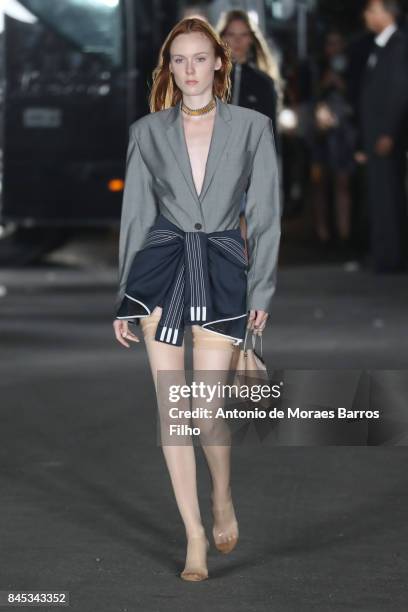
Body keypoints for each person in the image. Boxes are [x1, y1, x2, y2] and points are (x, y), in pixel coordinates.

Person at [112, 18, 281, 581]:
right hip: (161, 268)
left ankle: (222, 497)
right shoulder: (147, 132)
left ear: (218, 63)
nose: (189, 70)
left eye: (199, 58)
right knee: (173, 414)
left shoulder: (253, 127)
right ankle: (193, 536)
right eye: (179, 60)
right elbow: (135, 215)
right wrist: (125, 297)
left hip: (224, 268)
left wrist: (262, 288)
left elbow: (264, 214)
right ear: (170, 67)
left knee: (207, 415)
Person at [355, 0, 408, 272]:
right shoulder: (380, 45)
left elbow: (399, 92)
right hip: (375, 134)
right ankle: (382, 253)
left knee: (388, 195)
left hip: (385, 136)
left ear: (387, 13)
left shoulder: (398, 45)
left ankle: (391, 257)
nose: (367, 14)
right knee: (378, 195)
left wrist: (388, 131)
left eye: (372, 9)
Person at [309, 30, 356, 247]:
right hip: (320, 134)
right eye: (330, 44)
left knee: (342, 182)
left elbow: (358, 97)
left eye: (338, 43)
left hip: (344, 133)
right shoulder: (315, 67)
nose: (334, 48)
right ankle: (322, 232)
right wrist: (323, 84)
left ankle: (345, 233)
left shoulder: (351, 67)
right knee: (320, 183)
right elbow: (307, 98)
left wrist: (343, 85)